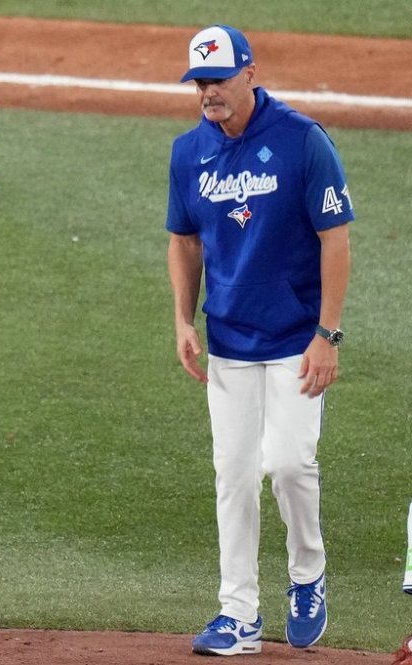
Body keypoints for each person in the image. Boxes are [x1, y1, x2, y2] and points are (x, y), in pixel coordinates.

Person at [165, 25, 353, 656]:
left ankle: (308, 574)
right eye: (199, 82)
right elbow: (184, 240)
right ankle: (238, 613)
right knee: (234, 475)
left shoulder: (303, 140)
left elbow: (336, 238)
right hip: (230, 343)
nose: (208, 92)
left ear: (250, 72)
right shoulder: (188, 151)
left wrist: (327, 333)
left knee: (291, 464)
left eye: (218, 79)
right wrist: (184, 319)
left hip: (299, 337)